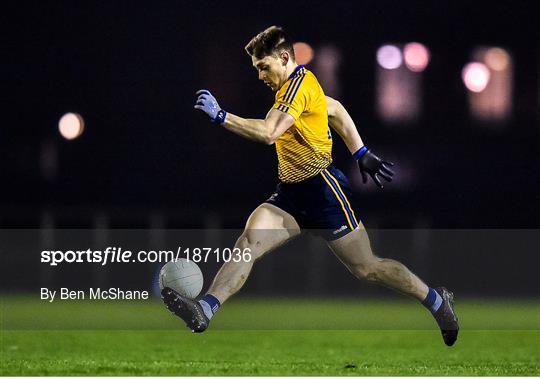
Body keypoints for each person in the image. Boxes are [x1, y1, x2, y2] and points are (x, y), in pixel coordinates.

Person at [162, 26, 458, 346]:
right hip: (290, 195)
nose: (260, 75)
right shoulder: (297, 86)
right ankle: (205, 309)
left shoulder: (296, 88)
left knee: (368, 268)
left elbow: (268, 132)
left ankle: (437, 300)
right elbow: (334, 110)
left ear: (285, 58)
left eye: (264, 67)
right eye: (256, 69)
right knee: (248, 243)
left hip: (323, 191)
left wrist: (221, 116)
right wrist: (360, 151)